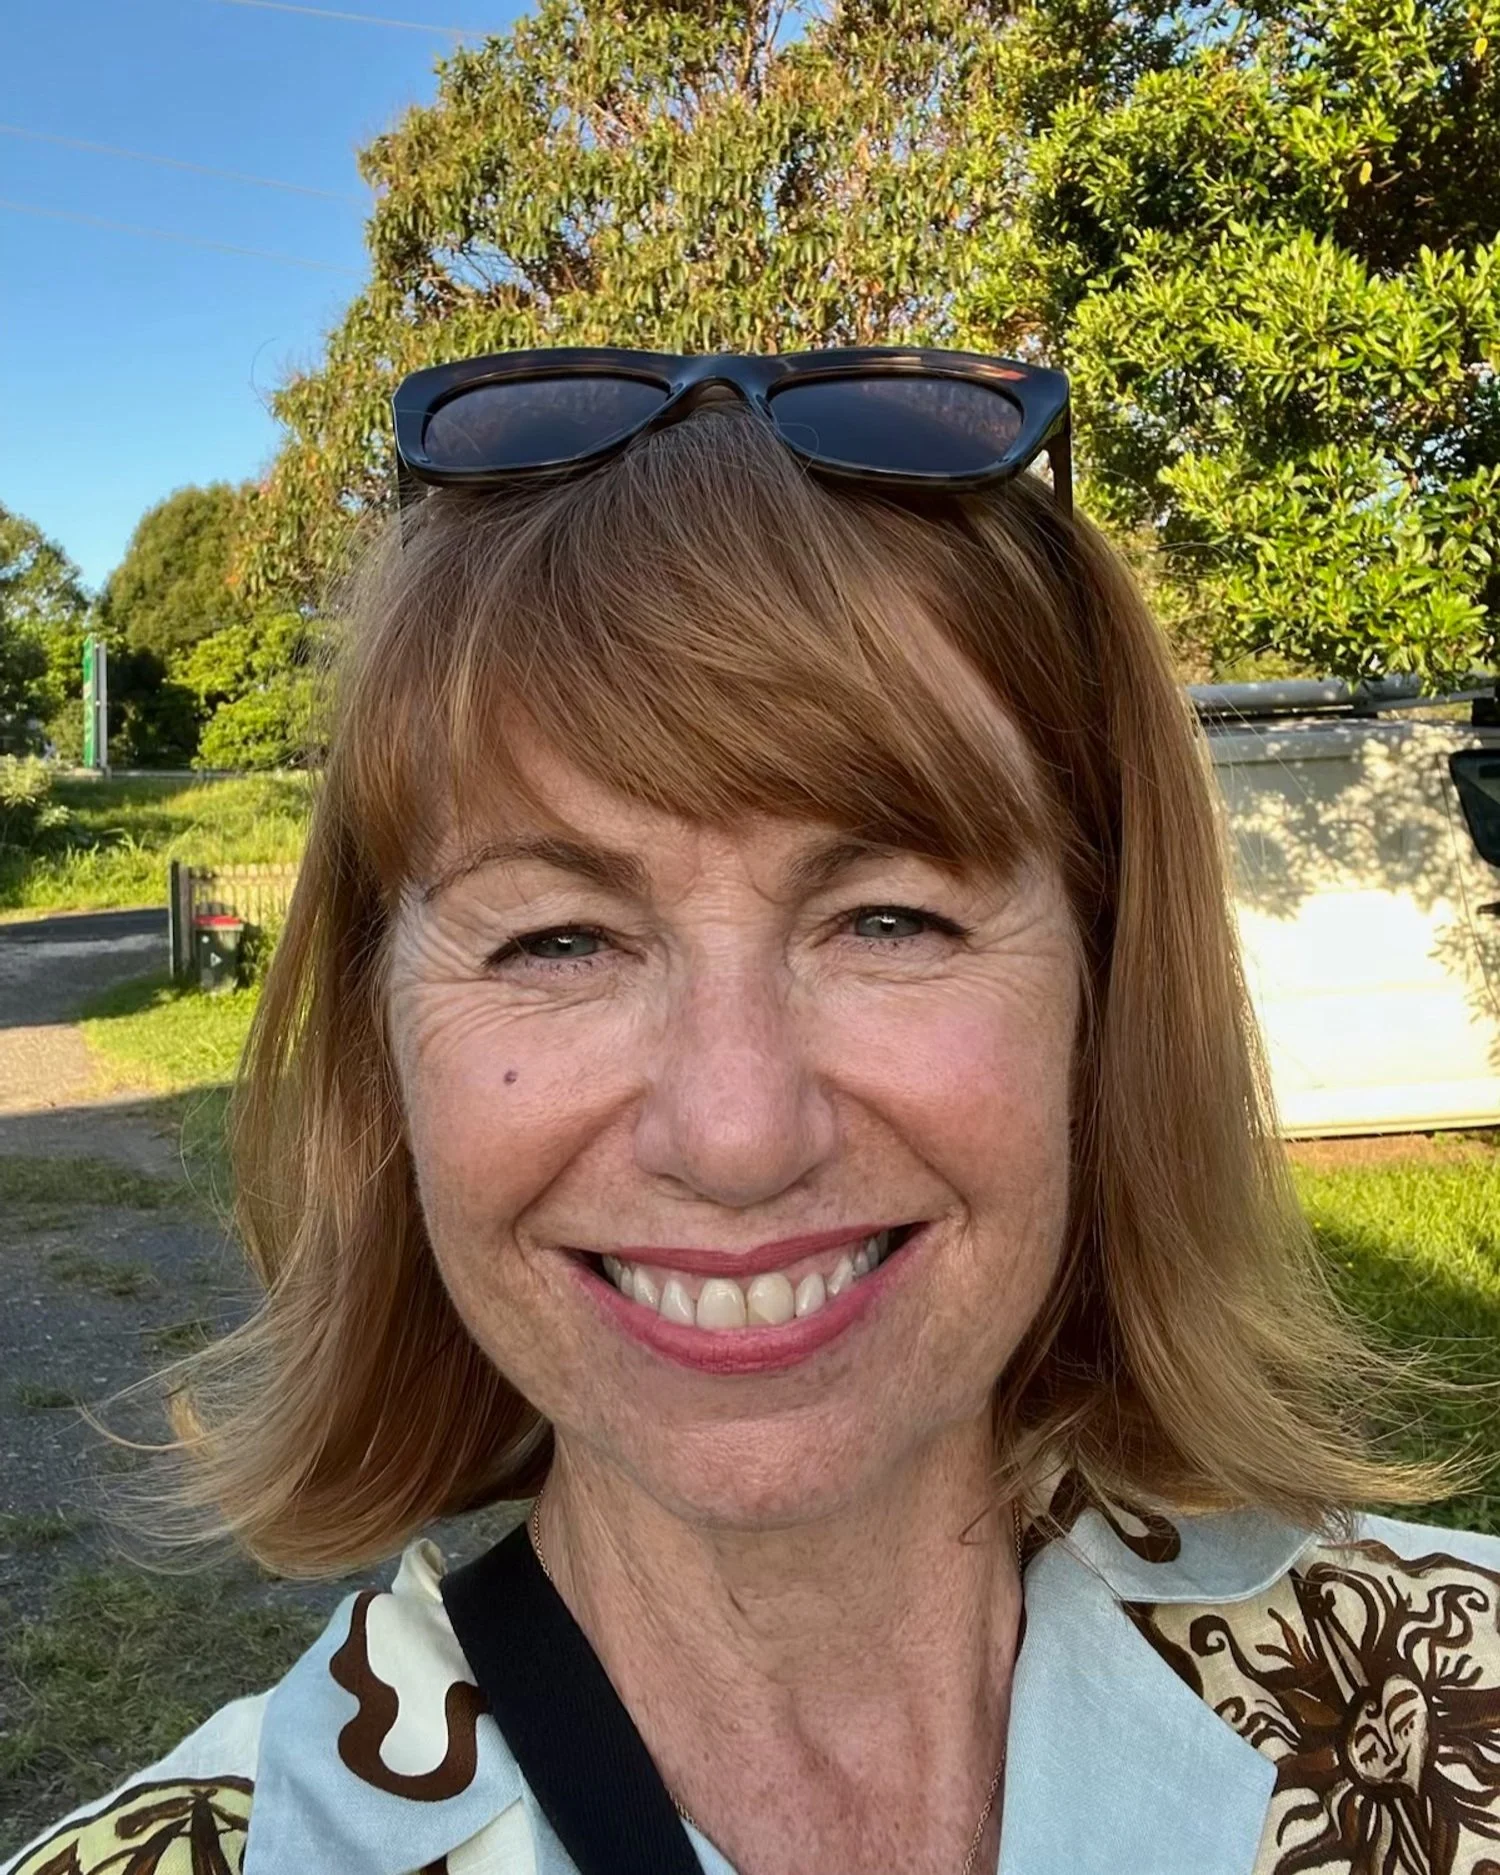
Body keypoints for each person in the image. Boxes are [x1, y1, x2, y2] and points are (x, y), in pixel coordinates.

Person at [7, 347, 1498, 1875]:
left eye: (891, 918)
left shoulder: (1454, 1716)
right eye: (557, 939)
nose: (735, 1133)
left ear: (1104, 1008)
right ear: (383, 1061)